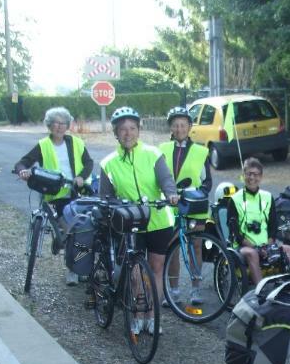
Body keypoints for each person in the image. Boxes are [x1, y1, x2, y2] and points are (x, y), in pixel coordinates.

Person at [99, 106, 178, 329]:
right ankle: (138, 314)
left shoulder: (153, 154)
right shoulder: (108, 163)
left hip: (158, 220)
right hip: (129, 222)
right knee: (135, 272)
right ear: (115, 133)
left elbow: (166, 179)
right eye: (122, 129)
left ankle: (153, 317)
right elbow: (105, 196)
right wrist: (114, 206)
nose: (128, 133)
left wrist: (171, 194)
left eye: (132, 128)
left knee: (156, 268)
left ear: (138, 131)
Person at [14, 106, 94, 286]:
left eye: (63, 123)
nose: (59, 126)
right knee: (69, 228)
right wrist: (23, 171)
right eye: (55, 123)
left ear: (68, 125)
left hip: (75, 190)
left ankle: (79, 265)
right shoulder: (43, 145)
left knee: (85, 228)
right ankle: (74, 269)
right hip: (54, 193)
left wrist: (81, 177)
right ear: (49, 125)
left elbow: (89, 163)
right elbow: (22, 162)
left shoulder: (76, 142)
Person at [159, 106, 213, 305]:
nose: (180, 128)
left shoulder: (201, 151)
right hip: (170, 204)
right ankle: (173, 290)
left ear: (190, 126)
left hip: (194, 204)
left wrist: (197, 194)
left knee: (195, 246)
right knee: (172, 246)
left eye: (183, 124)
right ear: (171, 128)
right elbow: (157, 177)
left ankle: (196, 289)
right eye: (175, 125)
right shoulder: (162, 149)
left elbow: (207, 182)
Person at [226, 157, 290, 285]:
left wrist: (267, 245)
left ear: (261, 177)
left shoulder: (268, 197)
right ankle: (260, 291)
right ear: (243, 175)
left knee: (288, 250)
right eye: (249, 174)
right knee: (252, 254)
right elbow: (235, 232)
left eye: (256, 174)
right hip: (244, 246)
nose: (252, 178)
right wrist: (255, 247)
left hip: (266, 244)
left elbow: (273, 226)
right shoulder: (234, 200)